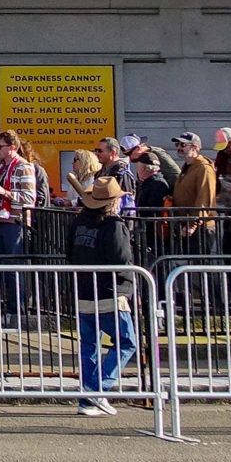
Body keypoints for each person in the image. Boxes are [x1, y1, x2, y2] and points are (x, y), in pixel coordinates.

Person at [66, 175, 137, 416]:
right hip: (110, 292)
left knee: (89, 346)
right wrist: (130, 285)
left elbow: (69, 253)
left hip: (84, 290)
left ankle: (88, 398)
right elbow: (121, 260)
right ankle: (98, 389)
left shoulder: (79, 223)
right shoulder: (114, 225)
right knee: (127, 342)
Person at [0, 129, 42, 329]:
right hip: (0, 222)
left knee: (14, 269)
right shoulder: (0, 168)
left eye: (0, 146)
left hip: (15, 224)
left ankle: (16, 312)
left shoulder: (24, 167)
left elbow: (28, 199)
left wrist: (6, 193)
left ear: (12, 147)